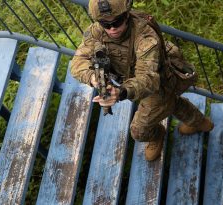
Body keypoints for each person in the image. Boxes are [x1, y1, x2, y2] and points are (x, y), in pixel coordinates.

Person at [71, 0, 214, 161]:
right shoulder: (96, 31)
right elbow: (77, 63)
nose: (112, 29)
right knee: (171, 104)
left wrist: (121, 92)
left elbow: (148, 79)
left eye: (117, 22)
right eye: (105, 23)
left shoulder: (145, 37)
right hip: (134, 82)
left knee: (139, 130)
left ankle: (157, 134)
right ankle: (201, 122)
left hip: (159, 84)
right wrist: (94, 78)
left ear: (126, 15)